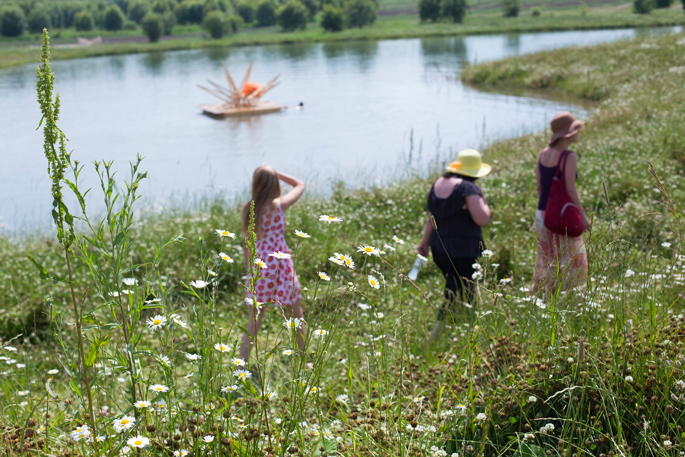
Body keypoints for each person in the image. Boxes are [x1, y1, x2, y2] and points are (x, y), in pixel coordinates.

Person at [417, 149, 491, 341]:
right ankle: (435, 339)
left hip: (439, 249)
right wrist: (481, 196)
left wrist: (424, 243)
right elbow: (483, 219)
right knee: (456, 293)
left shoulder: (439, 183)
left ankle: (462, 325)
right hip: (462, 251)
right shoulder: (468, 189)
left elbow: (432, 217)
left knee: (459, 289)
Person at [239, 165, 306, 363]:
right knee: (296, 313)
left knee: (254, 321)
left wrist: (249, 271)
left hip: (260, 266)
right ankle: (303, 360)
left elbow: (246, 244)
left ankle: (241, 366)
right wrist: (279, 173)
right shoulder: (279, 205)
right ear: (274, 183)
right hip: (281, 265)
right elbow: (300, 185)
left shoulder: (249, 209)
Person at [531, 111, 589, 295]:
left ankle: (542, 298)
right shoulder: (569, 157)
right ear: (569, 134)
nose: (579, 132)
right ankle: (569, 298)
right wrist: (584, 218)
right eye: (576, 129)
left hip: (542, 214)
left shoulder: (542, 154)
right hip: (561, 216)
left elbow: (540, 188)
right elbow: (571, 190)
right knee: (572, 260)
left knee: (546, 259)